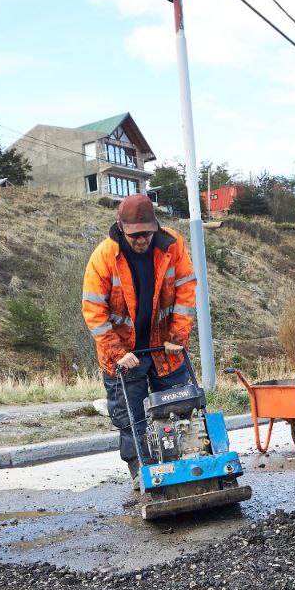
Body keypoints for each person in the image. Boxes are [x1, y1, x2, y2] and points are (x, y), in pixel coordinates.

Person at [81, 193, 198, 486]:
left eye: (147, 233)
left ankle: (187, 466)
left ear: (155, 227)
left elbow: (186, 292)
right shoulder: (104, 258)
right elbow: (94, 310)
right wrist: (118, 352)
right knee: (131, 418)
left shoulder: (172, 245)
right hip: (124, 353)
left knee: (179, 408)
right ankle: (141, 473)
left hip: (165, 348)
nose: (142, 240)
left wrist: (177, 336)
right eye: (135, 235)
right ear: (121, 228)